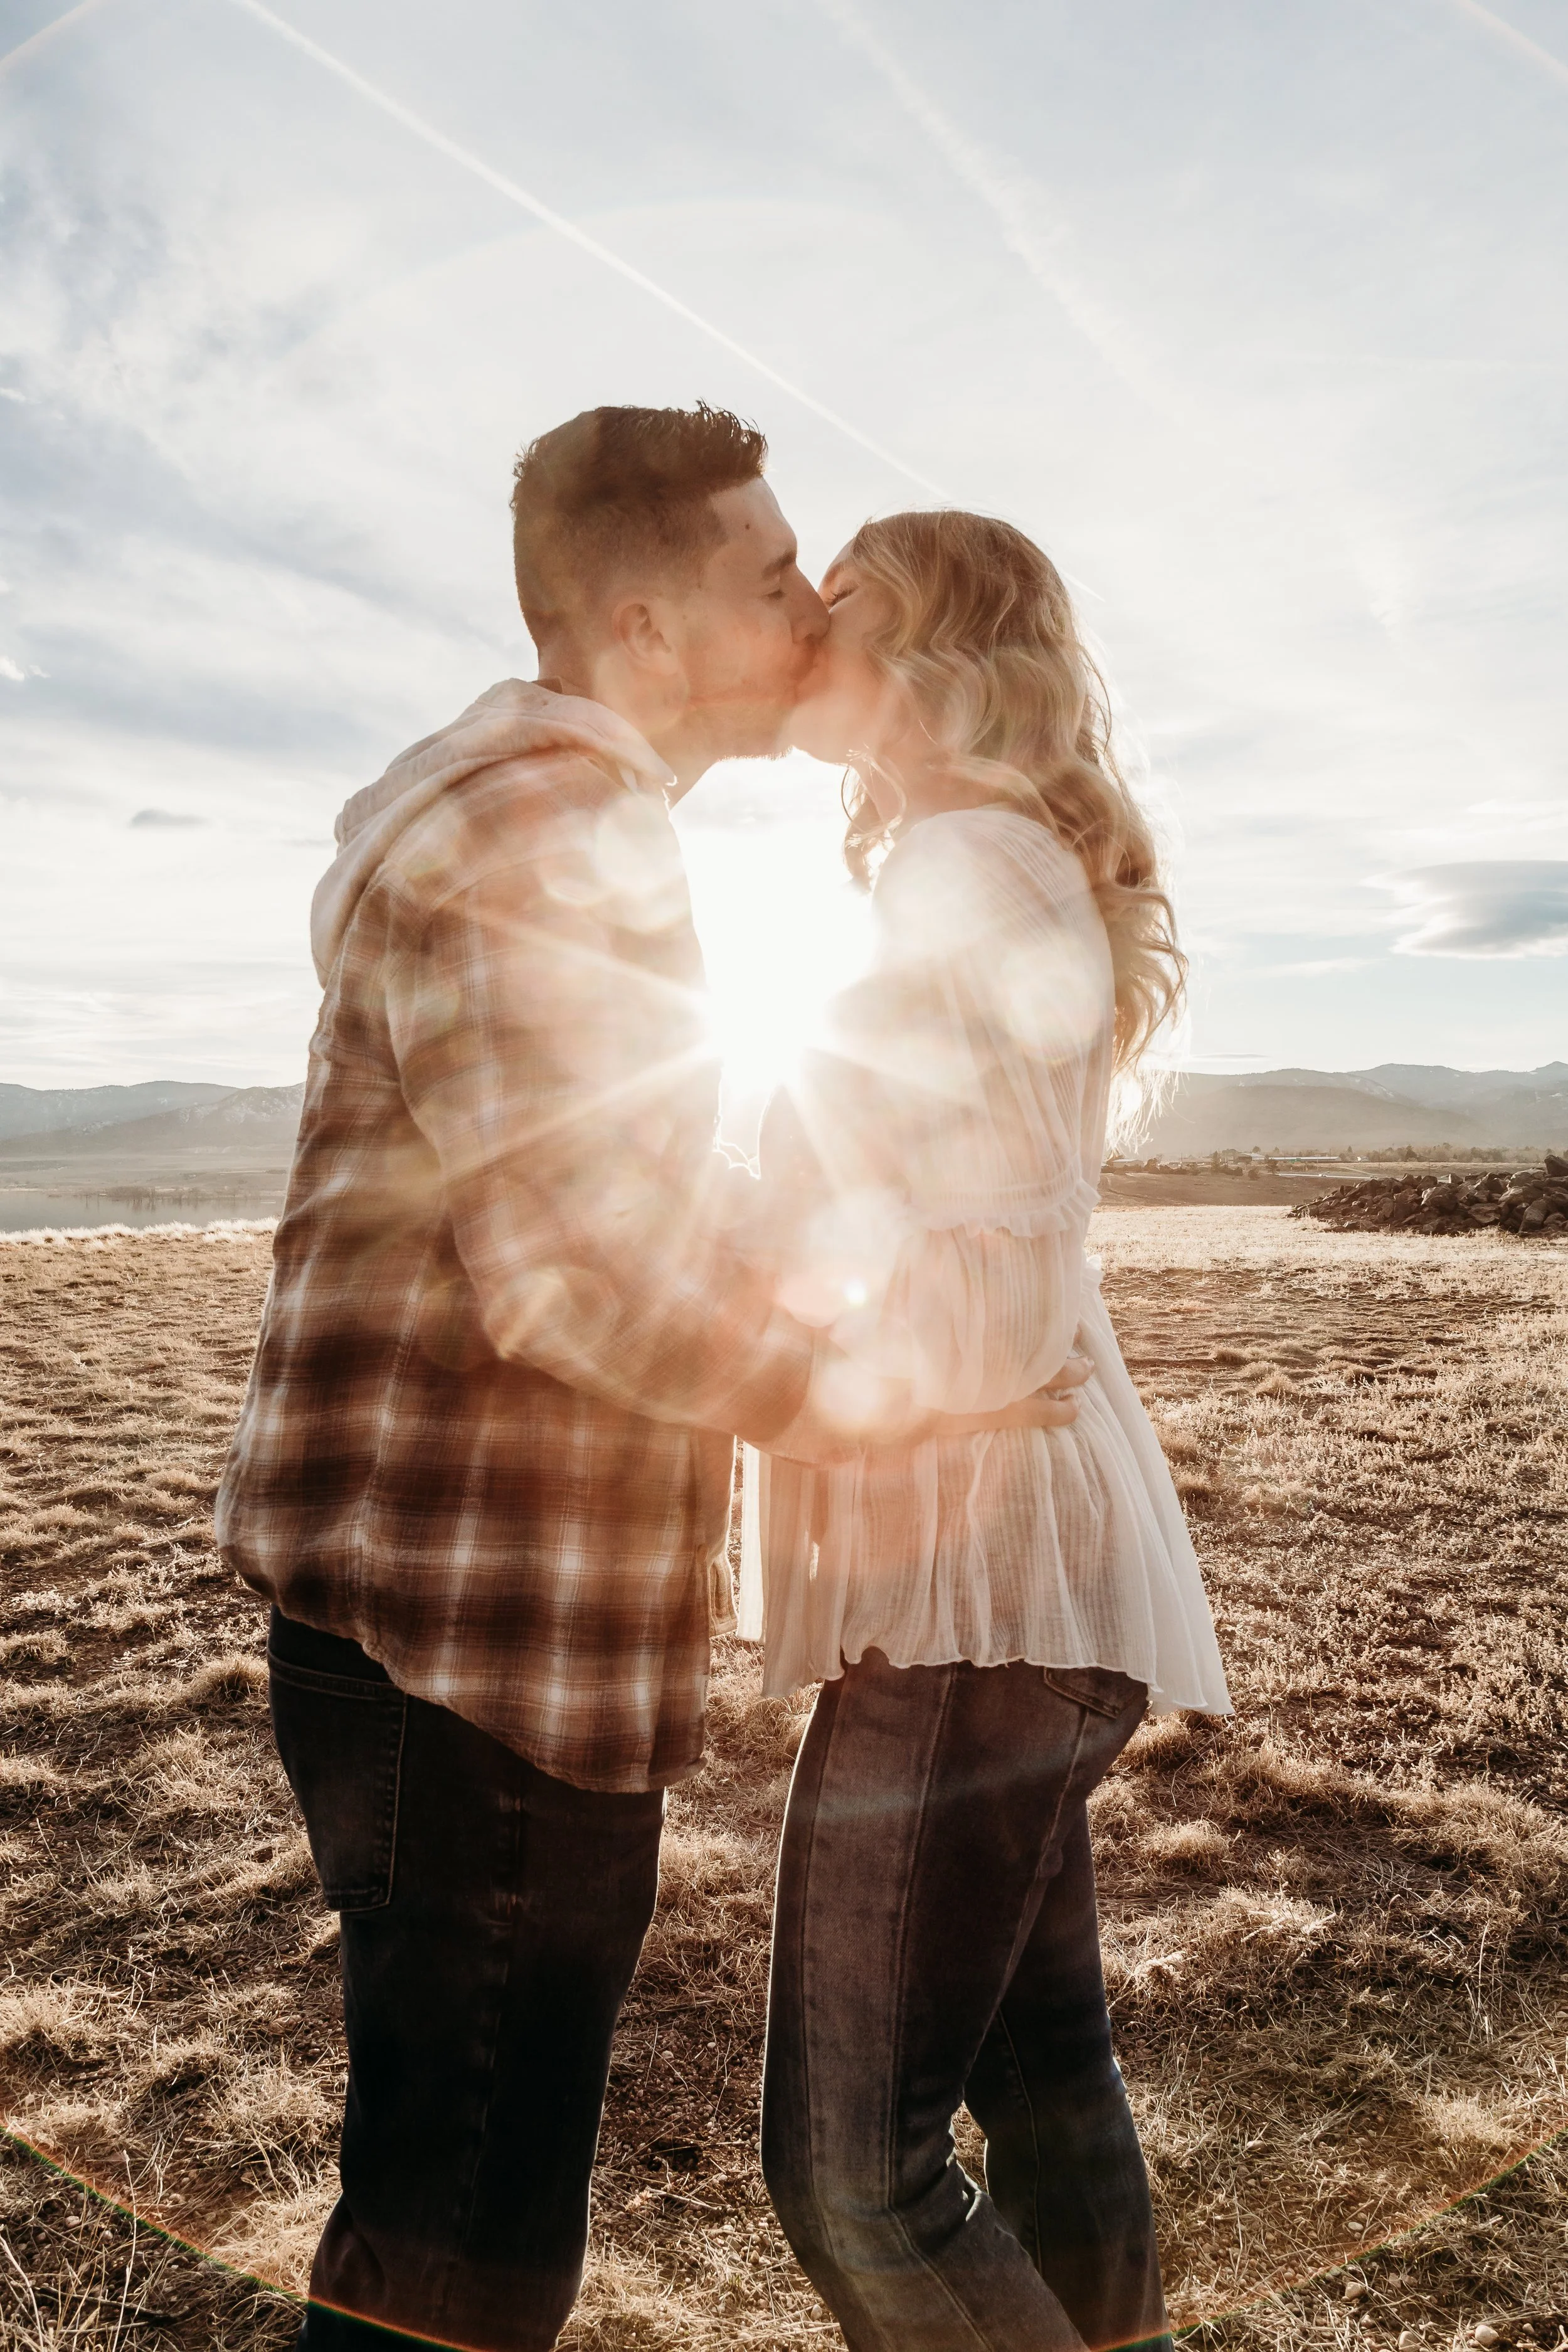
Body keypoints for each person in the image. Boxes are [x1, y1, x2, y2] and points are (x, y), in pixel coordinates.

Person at [215, 408, 1086, 2352]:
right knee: (464, 2249)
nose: (809, 603)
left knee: (435, 2202)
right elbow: (578, 1272)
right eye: (768, 577)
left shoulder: (517, 802)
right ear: (644, 622)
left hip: (427, 1628)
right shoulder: (555, 819)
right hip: (481, 1648)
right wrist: (885, 1402)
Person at [742, 510, 1233, 2352]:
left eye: (838, 595)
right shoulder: (973, 859)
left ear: (939, 638)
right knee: (1040, 2081)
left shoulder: (964, 863)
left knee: (852, 2174)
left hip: (973, 1585)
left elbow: (1001, 1267)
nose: (801, 623)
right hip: (1015, 1569)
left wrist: (804, 1333)